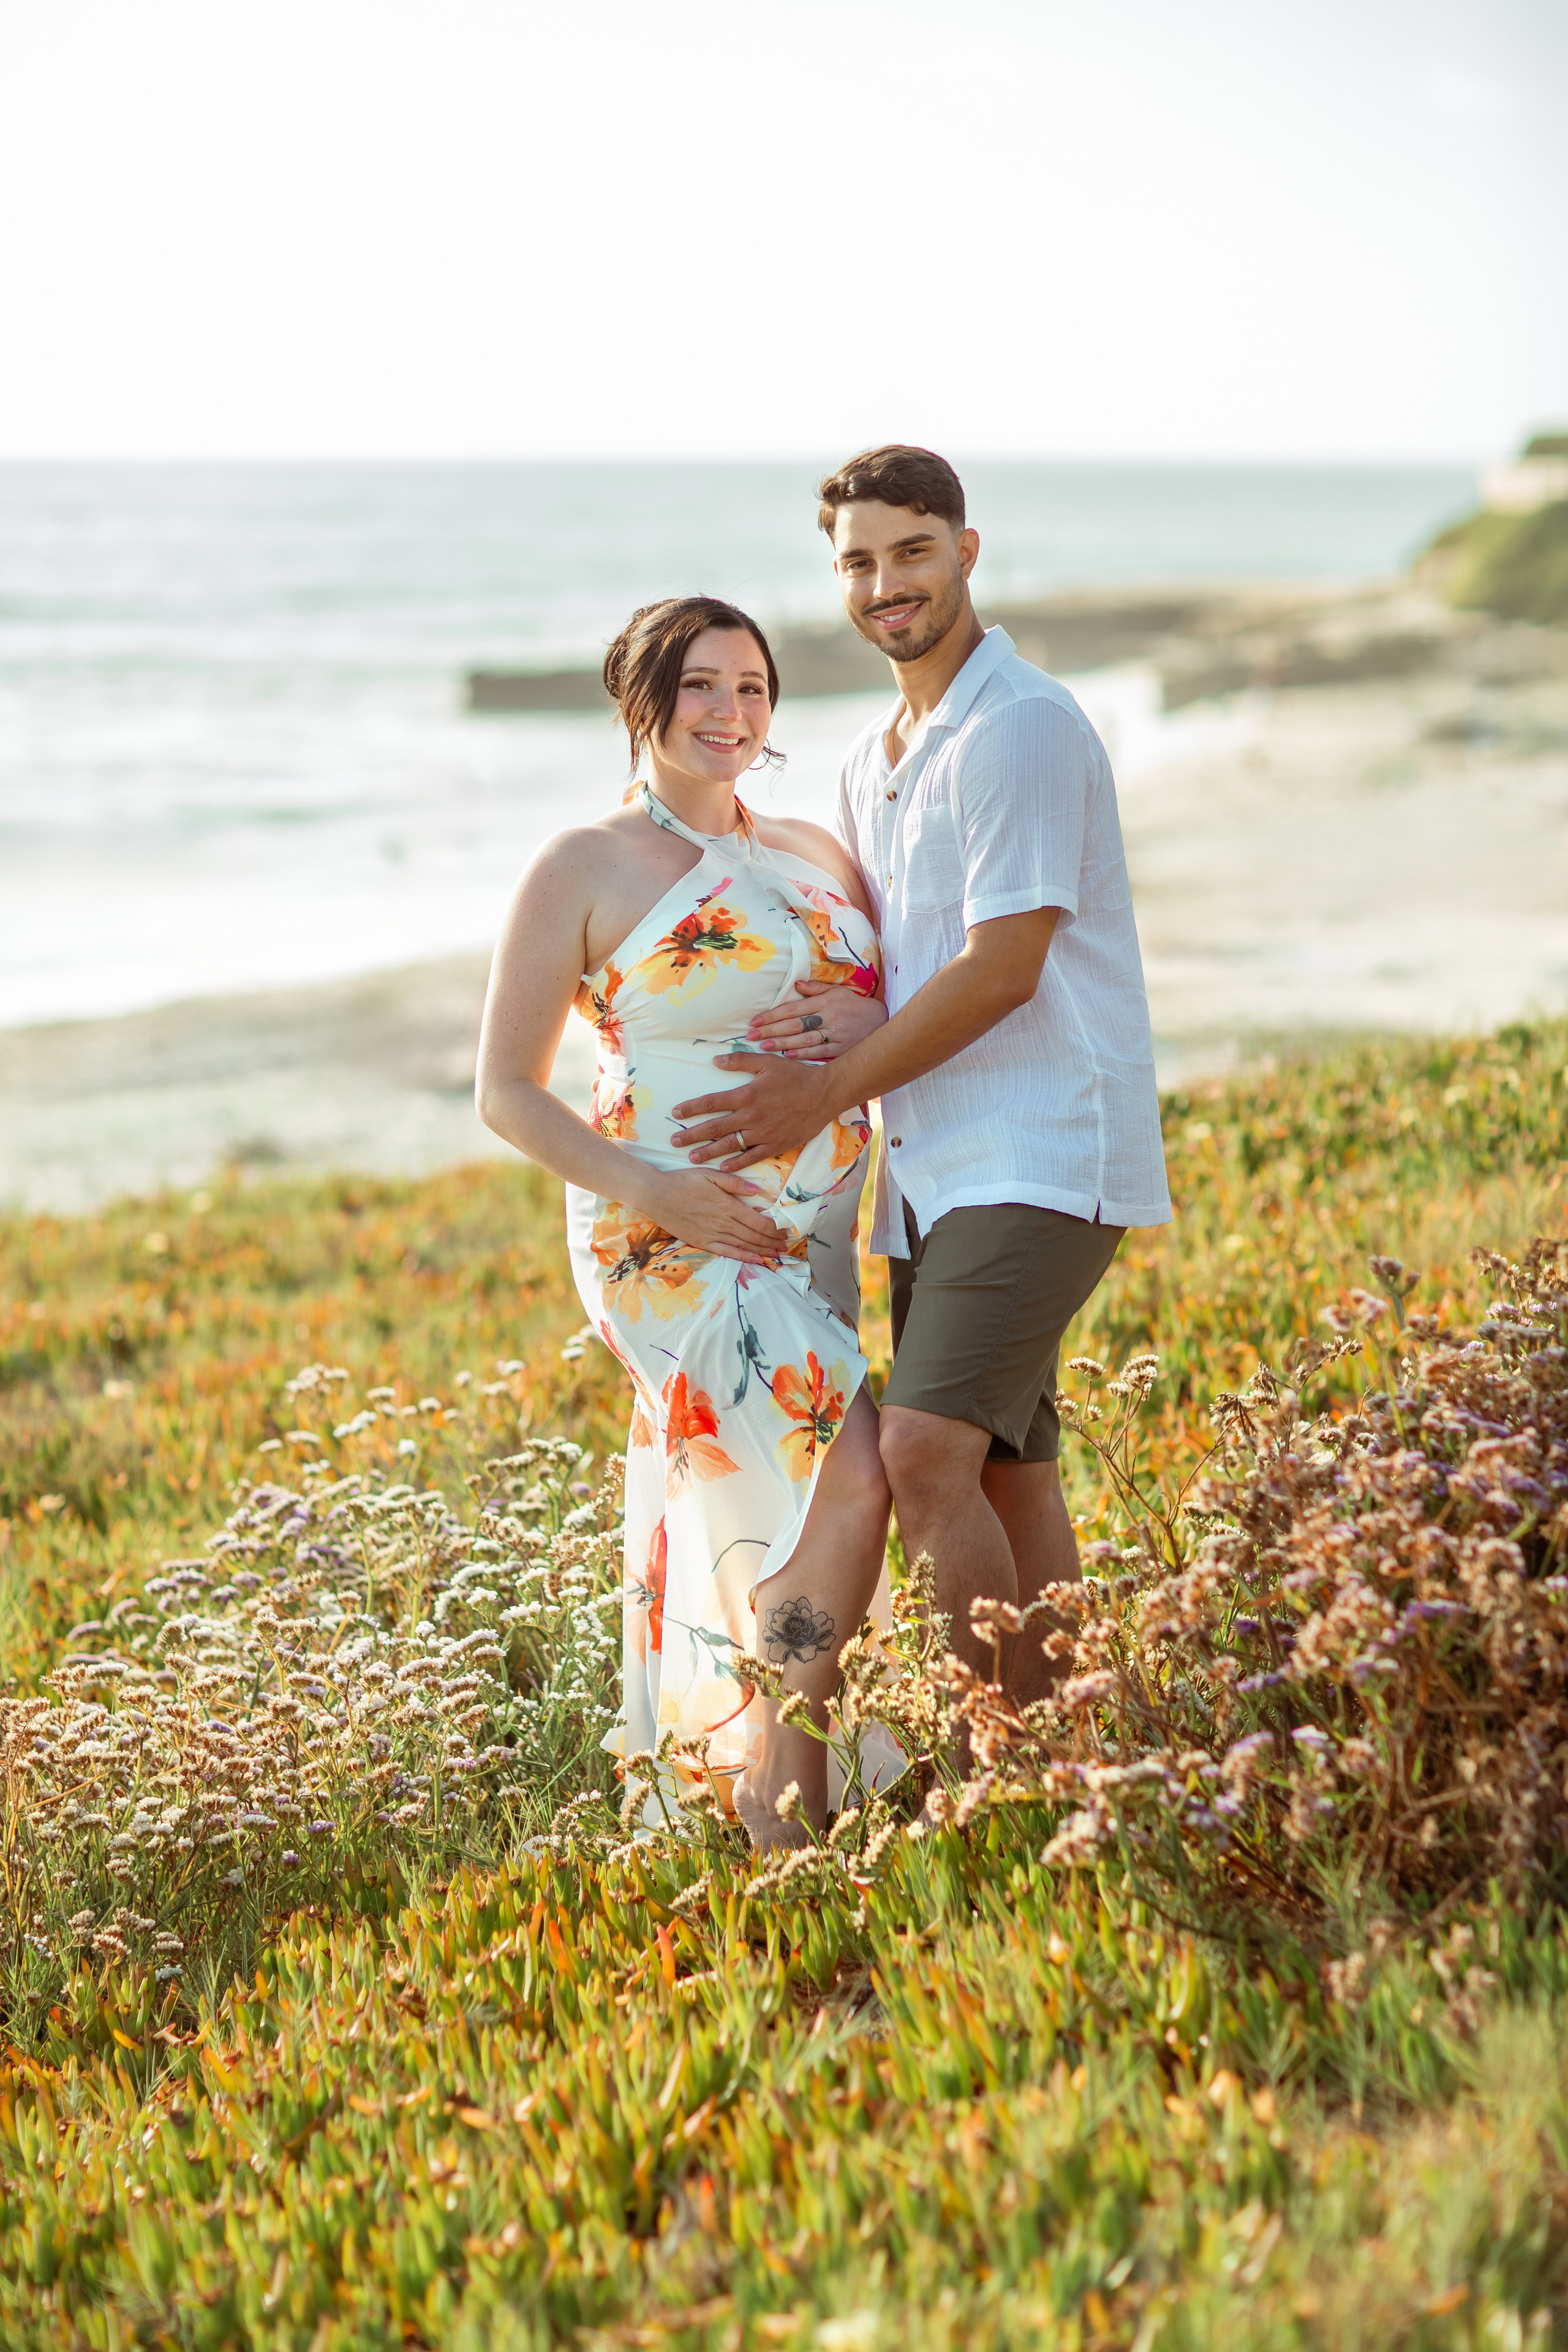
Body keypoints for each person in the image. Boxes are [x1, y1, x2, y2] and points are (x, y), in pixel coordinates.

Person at [671, 447, 1171, 1705]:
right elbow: (888, 965)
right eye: (859, 562)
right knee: (1008, 1472)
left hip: (1042, 1147)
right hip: (934, 1170)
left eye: (911, 551)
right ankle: (1076, 1746)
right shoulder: (870, 759)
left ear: (965, 551)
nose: (886, 582)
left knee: (922, 1454)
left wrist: (819, 1091)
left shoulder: (1018, 728)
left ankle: (999, 1752)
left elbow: (1003, 967)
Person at [475, 594, 894, 1845]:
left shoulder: (816, 852)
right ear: (642, 699)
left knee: (790, 1491)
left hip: (813, 1234)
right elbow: (505, 1091)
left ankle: (765, 1764)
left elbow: (895, 1006)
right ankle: (782, 1786)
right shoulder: (581, 865)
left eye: (751, 687)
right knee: (853, 1473)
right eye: (701, 685)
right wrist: (655, 1192)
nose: (730, 710)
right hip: (668, 1235)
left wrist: (872, 1019)